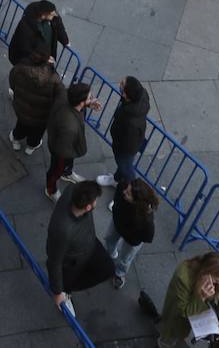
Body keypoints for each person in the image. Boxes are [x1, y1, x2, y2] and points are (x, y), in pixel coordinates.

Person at [46, 180, 116, 317]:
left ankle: (68, 287)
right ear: (88, 207)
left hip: (89, 244)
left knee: (108, 268)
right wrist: (57, 292)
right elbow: (54, 261)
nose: (97, 202)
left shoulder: (72, 189)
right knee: (68, 282)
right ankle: (66, 291)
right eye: (95, 201)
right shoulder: (62, 231)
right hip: (73, 262)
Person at [155, 253, 219, 348]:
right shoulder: (184, 277)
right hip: (178, 318)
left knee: (179, 334)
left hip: (200, 316)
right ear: (205, 273)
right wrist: (202, 298)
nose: (216, 286)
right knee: (171, 336)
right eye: (215, 282)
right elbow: (182, 310)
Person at [46, 82, 100, 201]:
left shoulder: (65, 94)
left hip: (63, 141)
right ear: (81, 102)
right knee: (55, 171)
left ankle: (67, 172)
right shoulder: (70, 127)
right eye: (90, 97)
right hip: (60, 150)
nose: (92, 99)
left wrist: (88, 104)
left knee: (64, 164)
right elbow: (63, 151)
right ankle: (51, 189)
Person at [97, 76, 150, 190]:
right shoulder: (140, 95)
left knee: (127, 169)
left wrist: (117, 144)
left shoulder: (131, 121)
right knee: (123, 166)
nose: (119, 83)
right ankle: (116, 179)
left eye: (122, 84)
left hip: (125, 149)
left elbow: (127, 143)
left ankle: (128, 193)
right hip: (128, 143)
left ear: (126, 95)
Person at [104, 178, 158, 289]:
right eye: (127, 189)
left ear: (137, 202)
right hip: (118, 223)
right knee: (109, 239)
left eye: (128, 194)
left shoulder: (146, 221)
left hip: (132, 238)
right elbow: (117, 200)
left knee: (125, 258)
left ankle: (120, 273)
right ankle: (110, 255)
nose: (124, 192)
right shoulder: (123, 186)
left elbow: (147, 237)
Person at [9, 49, 63, 154]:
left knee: (21, 125)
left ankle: (16, 140)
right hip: (41, 116)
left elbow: (12, 82)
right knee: (36, 133)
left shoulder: (21, 69)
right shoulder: (55, 79)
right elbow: (59, 98)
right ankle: (31, 147)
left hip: (22, 109)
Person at [9, 0, 70, 67]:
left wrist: (65, 40)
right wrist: (45, 59)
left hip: (42, 58)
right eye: (52, 14)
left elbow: (58, 25)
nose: (55, 14)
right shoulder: (25, 27)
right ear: (43, 15)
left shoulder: (51, 17)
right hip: (26, 63)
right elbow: (25, 49)